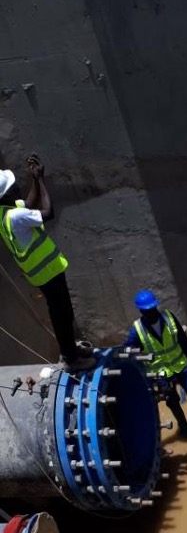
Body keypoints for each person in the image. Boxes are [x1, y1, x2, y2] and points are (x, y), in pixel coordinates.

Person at [0, 156, 94, 373]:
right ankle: (71, 359)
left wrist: (34, 180)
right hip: (48, 272)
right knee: (62, 314)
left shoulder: (4, 214)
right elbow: (47, 212)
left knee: (62, 312)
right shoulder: (16, 217)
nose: (17, 190)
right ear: (6, 194)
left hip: (41, 274)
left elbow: (29, 203)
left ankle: (71, 348)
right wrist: (41, 180)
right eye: (14, 187)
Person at [123, 290, 187, 438]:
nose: (151, 313)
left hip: (181, 366)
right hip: (161, 374)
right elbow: (128, 349)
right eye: (147, 310)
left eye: (152, 309)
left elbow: (183, 341)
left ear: (156, 306)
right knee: (172, 401)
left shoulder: (169, 318)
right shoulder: (138, 329)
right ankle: (184, 426)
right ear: (141, 311)